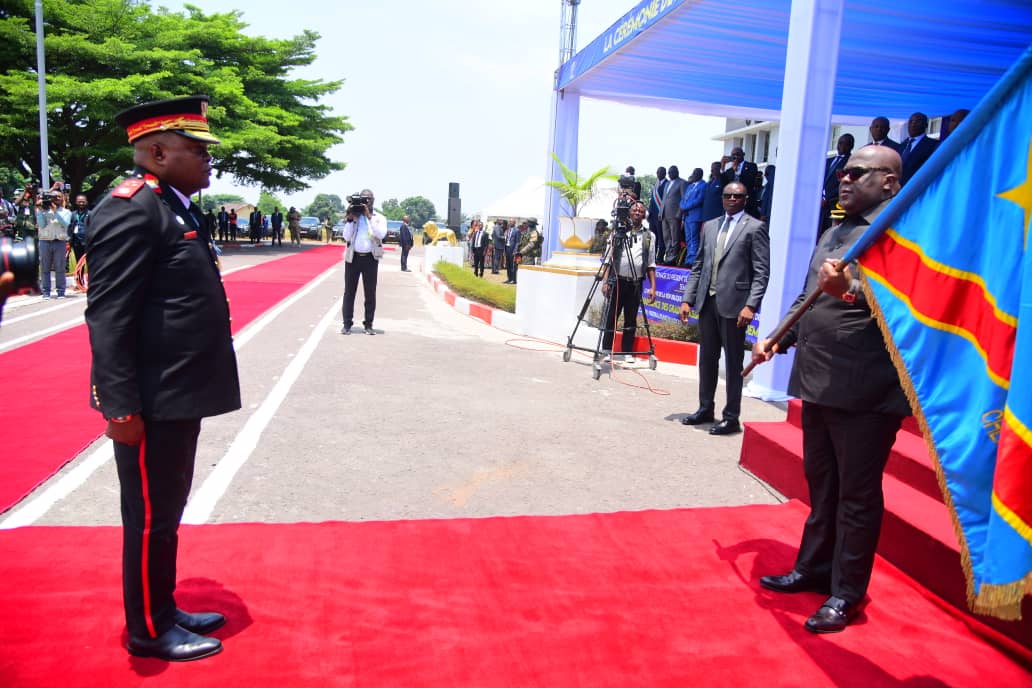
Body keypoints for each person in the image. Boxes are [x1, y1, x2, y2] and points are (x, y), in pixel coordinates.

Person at [85, 95, 241, 662]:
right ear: (157, 153)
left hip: (177, 393)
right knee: (150, 517)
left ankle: (164, 607)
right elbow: (109, 315)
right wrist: (118, 406)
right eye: (197, 150)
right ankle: (149, 629)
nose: (208, 160)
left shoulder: (174, 206)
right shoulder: (132, 209)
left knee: (166, 512)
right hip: (150, 399)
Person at [750, 144, 910, 634]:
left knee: (856, 495)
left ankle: (847, 592)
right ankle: (814, 567)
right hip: (818, 379)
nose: (845, 178)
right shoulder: (835, 231)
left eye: (858, 172)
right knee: (823, 486)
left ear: (889, 182)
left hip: (866, 389)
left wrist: (853, 292)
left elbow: (911, 309)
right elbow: (810, 296)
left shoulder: (904, 233)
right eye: (844, 171)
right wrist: (777, 337)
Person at [680, 181, 770, 436]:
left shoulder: (755, 228)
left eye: (737, 196)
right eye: (728, 195)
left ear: (745, 199)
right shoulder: (710, 226)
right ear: (722, 198)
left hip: (735, 306)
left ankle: (731, 417)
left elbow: (762, 273)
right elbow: (699, 266)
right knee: (707, 360)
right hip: (707, 303)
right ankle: (705, 408)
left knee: (733, 363)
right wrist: (687, 299)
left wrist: (751, 305)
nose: (732, 199)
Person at [600, 200, 657, 363]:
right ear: (629, 213)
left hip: (635, 283)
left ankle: (626, 352)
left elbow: (651, 264)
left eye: (641, 210)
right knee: (611, 316)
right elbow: (608, 259)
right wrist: (605, 281)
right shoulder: (618, 232)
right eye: (635, 210)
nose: (638, 212)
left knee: (631, 319)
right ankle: (606, 350)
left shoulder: (649, 236)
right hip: (617, 281)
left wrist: (653, 287)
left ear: (644, 215)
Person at [340, 189, 387, 335]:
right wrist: (350, 219)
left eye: (369, 199)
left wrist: (369, 216)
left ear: (373, 200)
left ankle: (368, 325)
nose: (366, 201)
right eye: (363, 199)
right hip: (353, 258)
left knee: (370, 293)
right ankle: (347, 324)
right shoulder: (354, 216)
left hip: (370, 259)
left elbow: (381, 234)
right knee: (349, 292)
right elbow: (346, 237)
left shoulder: (379, 217)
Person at [36, 191, 71, 299]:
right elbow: (41, 224)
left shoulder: (66, 212)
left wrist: (55, 212)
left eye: (58, 197)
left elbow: (65, 223)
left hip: (59, 241)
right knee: (45, 267)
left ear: (62, 198)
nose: (56, 199)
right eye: (54, 197)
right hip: (45, 241)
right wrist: (41, 211)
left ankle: (61, 291)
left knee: (60, 268)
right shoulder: (43, 210)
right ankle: (46, 292)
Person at [821, 133, 855, 236]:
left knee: (830, 232)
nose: (842, 147)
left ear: (851, 146)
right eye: (840, 143)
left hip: (835, 204)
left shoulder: (851, 163)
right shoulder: (828, 161)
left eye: (846, 144)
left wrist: (827, 198)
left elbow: (845, 183)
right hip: (820, 204)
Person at [900, 112, 939, 186]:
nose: (913, 124)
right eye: (911, 122)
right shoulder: (902, 144)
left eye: (917, 122)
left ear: (926, 125)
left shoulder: (933, 144)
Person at [678, 167, 706, 267]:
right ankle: (688, 259)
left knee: (694, 239)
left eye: (695, 173)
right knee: (688, 239)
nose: (693, 175)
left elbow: (698, 200)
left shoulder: (703, 185)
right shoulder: (690, 186)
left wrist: (685, 207)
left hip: (695, 216)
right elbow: (683, 199)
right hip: (686, 217)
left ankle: (692, 260)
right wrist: (682, 206)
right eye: (693, 173)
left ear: (700, 175)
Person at [659, 165, 687, 264]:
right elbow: (664, 199)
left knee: (675, 237)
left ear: (677, 172)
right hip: (664, 214)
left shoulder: (682, 182)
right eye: (669, 172)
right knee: (666, 237)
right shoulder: (667, 184)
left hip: (675, 215)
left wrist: (679, 213)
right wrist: (660, 212)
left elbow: (684, 199)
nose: (670, 174)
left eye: (672, 172)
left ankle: (673, 258)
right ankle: (668, 256)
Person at [647, 166, 668, 263]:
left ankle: (660, 257)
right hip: (652, 216)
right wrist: (649, 213)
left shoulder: (667, 184)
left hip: (661, 215)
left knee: (661, 238)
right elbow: (652, 200)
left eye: (660, 172)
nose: (658, 174)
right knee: (652, 238)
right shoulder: (656, 185)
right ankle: (652, 257)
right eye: (657, 172)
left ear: (664, 173)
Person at [68, 194, 90, 267]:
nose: (81, 203)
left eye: (83, 201)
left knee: (90, 262)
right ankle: (80, 275)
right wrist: (69, 240)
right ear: (76, 202)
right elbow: (70, 228)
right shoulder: (72, 214)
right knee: (79, 262)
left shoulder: (90, 214)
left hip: (87, 242)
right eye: (79, 201)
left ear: (86, 202)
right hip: (76, 242)